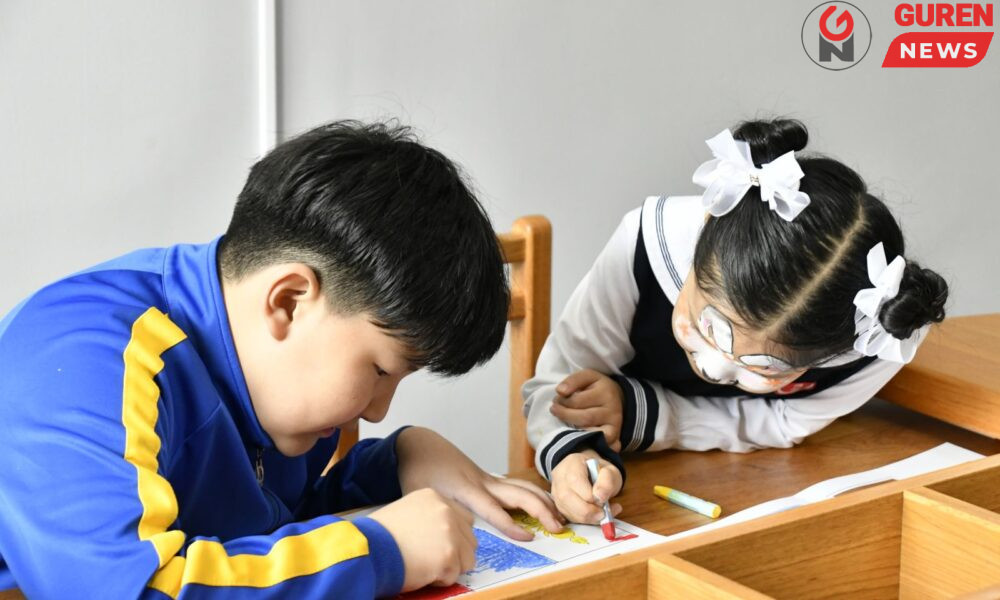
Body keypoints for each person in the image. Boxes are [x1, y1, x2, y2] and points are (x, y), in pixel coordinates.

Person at [0, 120, 563, 599]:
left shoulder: (264, 373)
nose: (376, 411)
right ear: (289, 301)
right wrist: (379, 552)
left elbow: (253, 528)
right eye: (380, 371)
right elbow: (134, 588)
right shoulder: (82, 362)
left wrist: (394, 463)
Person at [522, 119, 949, 524]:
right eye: (706, 328)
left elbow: (789, 423)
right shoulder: (641, 248)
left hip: (726, 487)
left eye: (761, 368)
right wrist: (571, 453)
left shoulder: (880, 332)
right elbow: (561, 384)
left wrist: (646, 415)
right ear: (704, 230)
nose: (714, 367)